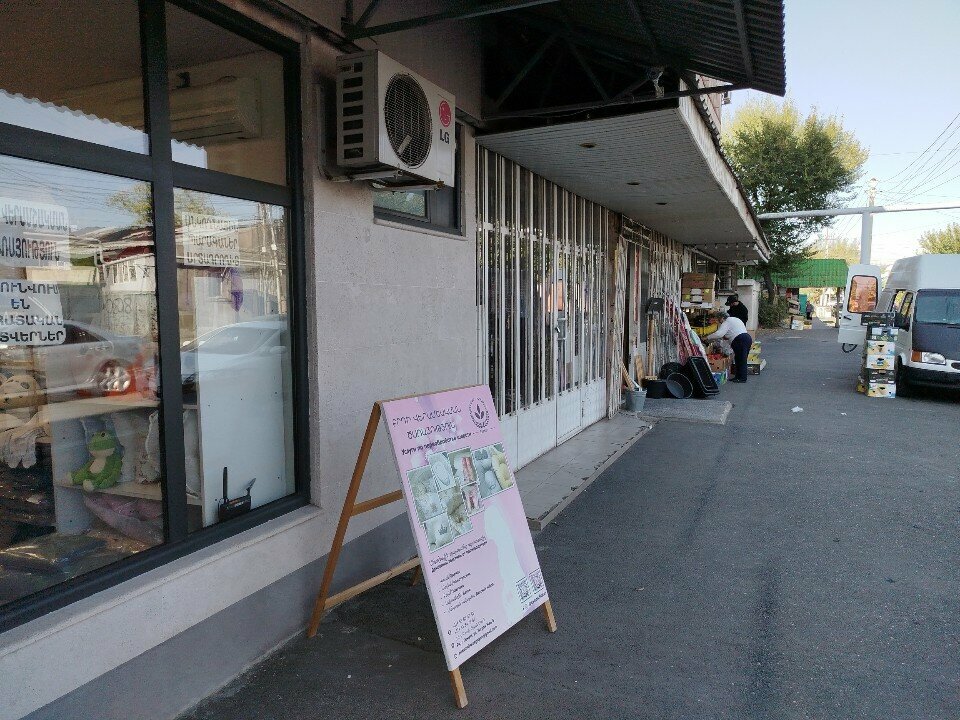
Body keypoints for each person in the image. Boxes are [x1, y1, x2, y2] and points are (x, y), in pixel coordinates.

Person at [705, 309, 753, 383]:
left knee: (741, 359)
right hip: (746, 338)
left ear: (721, 318)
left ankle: (742, 378)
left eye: (718, 319)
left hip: (740, 340)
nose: (719, 322)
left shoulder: (726, 322)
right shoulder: (734, 319)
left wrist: (707, 337)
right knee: (739, 358)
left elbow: (719, 334)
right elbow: (732, 332)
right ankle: (738, 377)